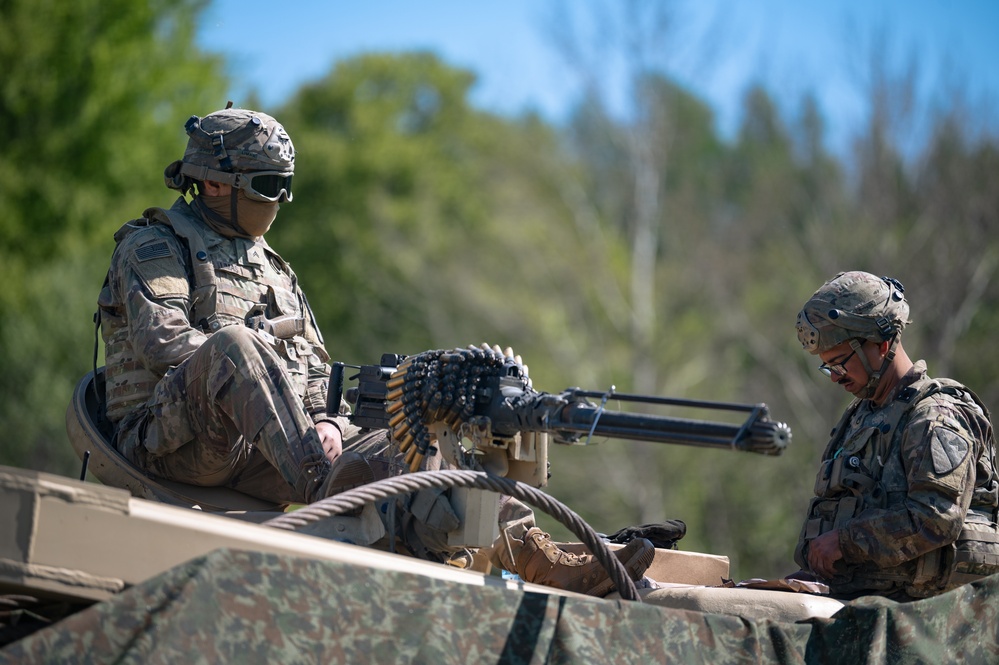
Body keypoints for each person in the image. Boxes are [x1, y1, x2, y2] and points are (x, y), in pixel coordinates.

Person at [97, 105, 653, 595]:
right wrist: (263, 355)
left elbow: (316, 368)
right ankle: (329, 492)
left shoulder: (273, 269)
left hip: (269, 450)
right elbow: (164, 342)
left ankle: (528, 551)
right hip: (172, 441)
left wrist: (330, 421)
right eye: (267, 184)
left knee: (414, 427)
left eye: (286, 184)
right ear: (214, 183)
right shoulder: (155, 244)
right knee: (236, 346)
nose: (281, 199)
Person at [793, 271, 999, 600]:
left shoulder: (936, 417)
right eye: (826, 367)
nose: (834, 377)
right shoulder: (862, 415)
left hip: (927, 623)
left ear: (882, 345)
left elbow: (936, 518)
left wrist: (844, 542)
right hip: (861, 607)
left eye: (839, 364)